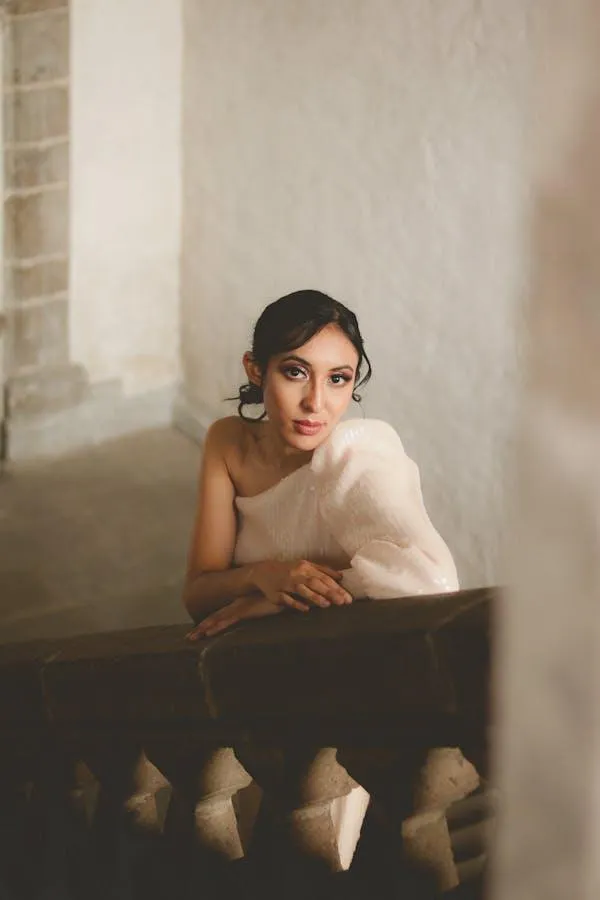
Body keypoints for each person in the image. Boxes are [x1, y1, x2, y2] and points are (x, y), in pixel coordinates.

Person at [184, 289, 459, 639]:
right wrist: (264, 575)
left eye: (337, 379)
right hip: (253, 655)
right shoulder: (228, 441)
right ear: (255, 370)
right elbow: (197, 597)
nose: (316, 403)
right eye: (296, 372)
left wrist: (282, 597)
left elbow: (432, 580)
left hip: (345, 652)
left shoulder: (359, 454)